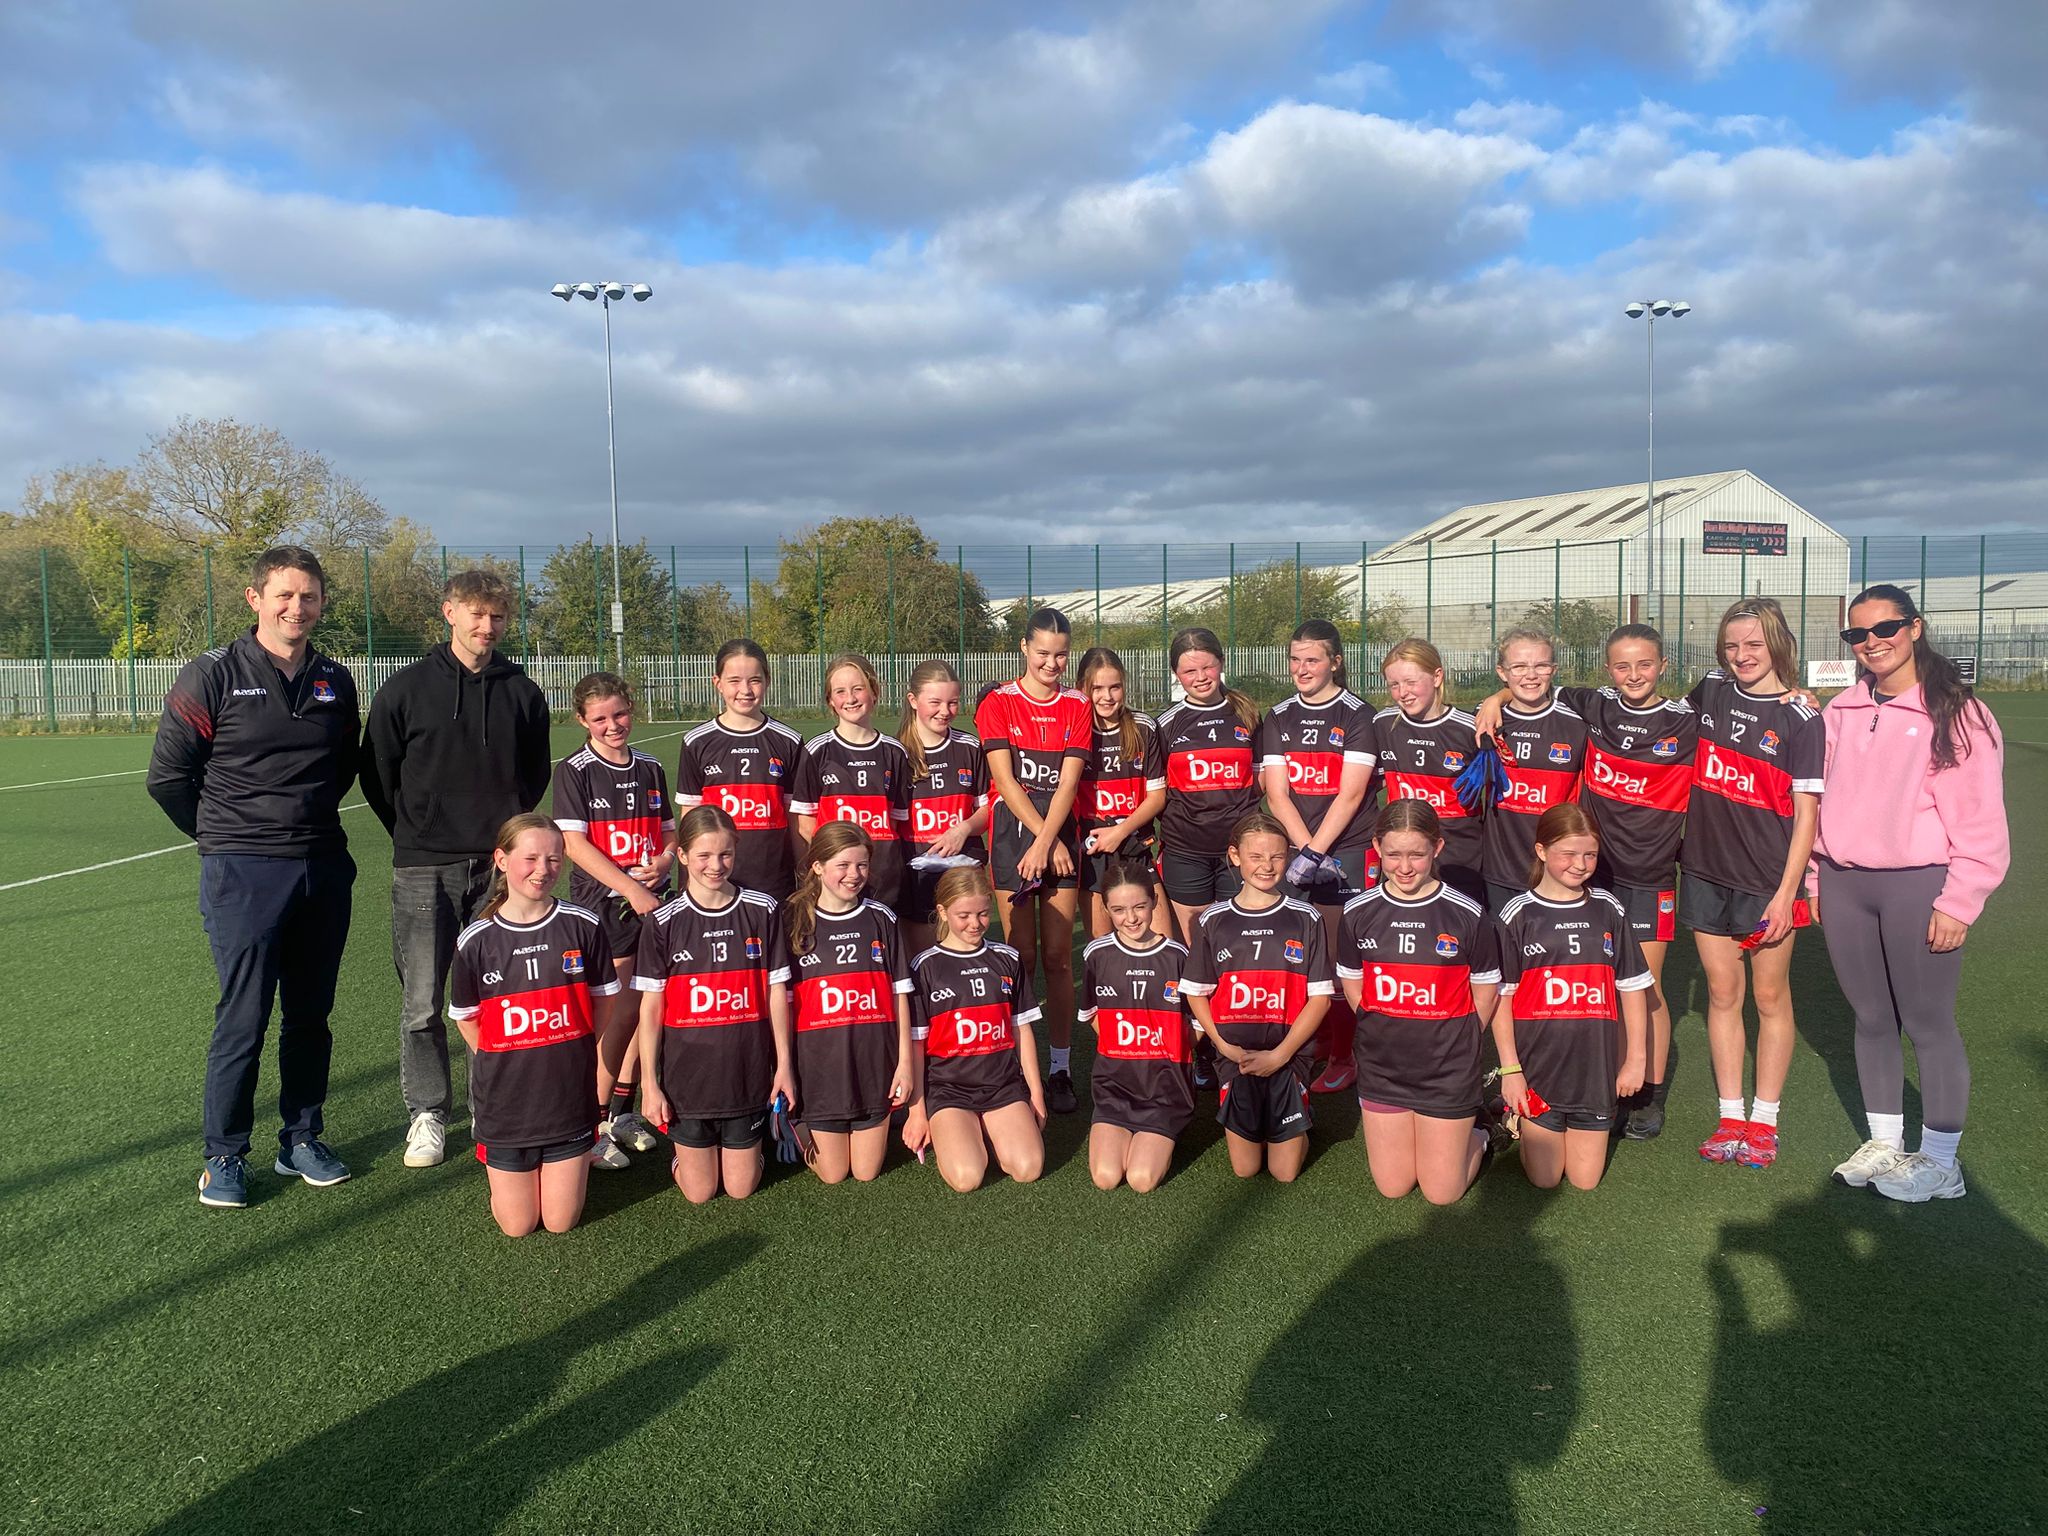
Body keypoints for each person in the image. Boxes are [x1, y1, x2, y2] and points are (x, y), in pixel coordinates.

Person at [148, 545, 362, 1208]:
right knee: (243, 1017)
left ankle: (301, 1139)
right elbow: (168, 778)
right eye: (285, 595)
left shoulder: (335, 679)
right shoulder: (211, 673)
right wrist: (224, 840)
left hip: (321, 867)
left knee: (311, 1015)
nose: (297, 607)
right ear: (255, 599)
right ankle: (224, 1155)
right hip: (242, 872)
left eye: (309, 596)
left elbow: (343, 768)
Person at [1816, 584, 2009, 1202]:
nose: (1872, 642)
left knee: (1928, 1022)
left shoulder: (1957, 711)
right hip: (1845, 883)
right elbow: (1820, 801)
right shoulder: (1841, 711)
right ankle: (1885, 1142)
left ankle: (1942, 1162)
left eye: (1886, 628)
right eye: (1858, 634)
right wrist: (1817, 876)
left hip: (1919, 885)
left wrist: (1960, 900)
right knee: (1872, 1018)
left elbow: (1981, 818)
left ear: (1915, 627)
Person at [360, 568, 551, 1170]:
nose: (487, 625)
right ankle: (428, 1113)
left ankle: (492, 1106)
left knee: (500, 995)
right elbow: (378, 773)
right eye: (476, 613)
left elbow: (534, 773)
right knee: (422, 1003)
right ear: (449, 613)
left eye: (497, 616)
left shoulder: (522, 691)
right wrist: (418, 830)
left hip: (497, 869)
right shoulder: (406, 688)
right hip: (425, 867)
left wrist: (502, 838)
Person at [1474, 624, 1697, 1139]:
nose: (1633, 674)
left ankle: (1644, 1095)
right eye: (1622, 665)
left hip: (1645, 875)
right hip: (1586, 870)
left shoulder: (1676, 717)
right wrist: (1495, 697)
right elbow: (1523, 687)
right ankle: (1536, 1083)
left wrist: (1791, 690)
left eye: (1645, 664)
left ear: (1663, 665)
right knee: (1560, 984)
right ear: (1607, 669)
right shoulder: (1592, 705)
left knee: (1643, 987)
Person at [1683, 599, 1824, 1170]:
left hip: (1767, 882)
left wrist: (1787, 894)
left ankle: (1765, 1120)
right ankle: (1730, 1115)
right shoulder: (1711, 690)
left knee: (1769, 998)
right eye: (1732, 645)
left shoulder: (1802, 718)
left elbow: (1807, 815)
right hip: (1703, 872)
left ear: (1778, 644)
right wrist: (1494, 700)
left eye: (1753, 644)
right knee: (1722, 994)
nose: (1741, 655)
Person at [446, 815, 620, 1237]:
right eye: (531, 858)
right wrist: (507, 1057)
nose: (543, 869)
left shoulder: (583, 925)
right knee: (518, 1225)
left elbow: (604, 1001)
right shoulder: (476, 940)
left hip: (567, 1097)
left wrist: (573, 1044)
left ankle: (577, 1156)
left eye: (554, 859)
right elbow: (468, 1020)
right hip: (506, 1106)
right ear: (502, 860)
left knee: (560, 1222)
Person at [1336, 801, 1503, 1204]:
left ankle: (1482, 1132)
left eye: (1417, 854)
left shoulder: (1467, 913)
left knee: (1442, 1193)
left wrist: (1460, 1037)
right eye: (1394, 854)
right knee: (1393, 1186)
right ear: (1377, 847)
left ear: (1437, 848)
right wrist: (1381, 1026)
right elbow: (1353, 981)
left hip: (1447, 1070)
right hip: (1383, 1068)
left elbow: (1485, 989)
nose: (1405, 867)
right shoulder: (1358, 911)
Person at [633, 806, 796, 1204]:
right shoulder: (663, 921)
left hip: (746, 1074)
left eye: (725, 854)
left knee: (741, 1188)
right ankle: (689, 1157)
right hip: (688, 1082)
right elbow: (651, 1010)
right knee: (700, 1192)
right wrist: (650, 1084)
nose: (716, 865)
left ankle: (755, 1142)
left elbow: (777, 992)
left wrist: (784, 1066)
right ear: (683, 855)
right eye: (704, 855)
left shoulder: (762, 910)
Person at [550, 672, 675, 1170]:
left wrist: (664, 862)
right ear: (582, 720)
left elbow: (670, 832)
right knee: (618, 1012)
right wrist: (631, 888)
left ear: (631, 709)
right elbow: (574, 845)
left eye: (619, 713)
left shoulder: (650, 767)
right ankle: (594, 1123)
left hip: (653, 902)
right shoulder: (575, 770)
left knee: (647, 1009)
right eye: (599, 718)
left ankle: (622, 1114)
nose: (612, 725)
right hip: (607, 906)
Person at [1493, 804, 1652, 1191]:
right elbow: (1502, 999)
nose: (1580, 865)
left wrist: (1635, 1060)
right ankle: (1510, 1116)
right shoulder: (1518, 913)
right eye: (1568, 853)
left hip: (1594, 1073)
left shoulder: (1608, 908)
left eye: (1590, 854)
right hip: (1539, 1069)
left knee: (1585, 1181)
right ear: (1541, 851)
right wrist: (1511, 1071)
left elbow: (1632, 987)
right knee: (1545, 1180)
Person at [974, 608, 1093, 1113]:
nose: (1051, 663)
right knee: (1019, 957)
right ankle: (1015, 1067)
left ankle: (1060, 1068)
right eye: (1042, 652)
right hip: (1012, 838)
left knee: (1059, 958)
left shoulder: (1077, 704)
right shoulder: (998, 701)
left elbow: (1068, 783)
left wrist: (1049, 841)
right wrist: (1044, 841)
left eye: (1061, 655)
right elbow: (1005, 782)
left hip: (1058, 836)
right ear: (1023, 648)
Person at [1179, 810, 1335, 1182]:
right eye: (1256, 856)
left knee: (1284, 1173)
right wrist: (1223, 1046)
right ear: (1235, 856)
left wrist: (1281, 1054)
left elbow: (1321, 999)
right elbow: (1197, 994)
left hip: (1289, 1054)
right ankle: (1274, 1121)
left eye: (1277, 856)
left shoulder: (1306, 917)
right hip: (1235, 1057)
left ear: (1289, 857)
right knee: (1246, 1169)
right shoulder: (1213, 919)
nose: (1267, 866)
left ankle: (1299, 1120)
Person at [1260, 619, 1379, 1093]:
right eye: (1295, 659)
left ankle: (1345, 1056)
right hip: (1298, 849)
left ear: (1336, 662)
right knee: (1299, 953)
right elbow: (1277, 794)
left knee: (1336, 955)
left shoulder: (1358, 714)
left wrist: (1317, 851)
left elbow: (1350, 796)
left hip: (1346, 848)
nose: (1302, 668)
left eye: (1312, 659)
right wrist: (1305, 852)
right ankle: (1316, 1041)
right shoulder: (1279, 715)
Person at [783, 822, 915, 1184]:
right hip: (819, 1067)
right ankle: (794, 1123)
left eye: (861, 865)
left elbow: (900, 995)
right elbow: (783, 1003)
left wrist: (904, 1064)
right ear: (817, 866)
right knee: (833, 1173)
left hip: (873, 1063)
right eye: (842, 865)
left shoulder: (881, 918)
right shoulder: (793, 920)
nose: (854, 875)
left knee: (866, 1172)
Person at [903, 868, 1048, 1192]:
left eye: (983, 913)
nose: (975, 924)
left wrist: (1035, 1095)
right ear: (942, 912)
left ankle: (989, 1128)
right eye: (964, 915)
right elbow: (916, 1045)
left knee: (1028, 1168)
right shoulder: (924, 966)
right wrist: (917, 1112)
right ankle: (965, 1130)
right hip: (949, 1090)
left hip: (1002, 1087)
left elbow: (1022, 1031)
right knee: (967, 1178)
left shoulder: (1007, 958)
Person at [1080, 862, 1194, 1193]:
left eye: (1139, 906)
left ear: (1154, 902)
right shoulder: (1097, 954)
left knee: (1141, 1180)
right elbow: (1092, 1014)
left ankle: (1164, 1132)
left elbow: (1197, 1024)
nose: (1131, 918)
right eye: (1119, 910)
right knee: (1105, 1178)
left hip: (1163, 1089)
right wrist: (1126, 1047)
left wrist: (1166, 1052)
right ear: (1106, 910)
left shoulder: (1178, 956)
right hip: (1115, 1087)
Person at [675, 638, 808, 902]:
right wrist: (686, 883)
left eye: (754, 680)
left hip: (773, 885)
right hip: (715, 882)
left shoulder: (789, 741)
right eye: (734, 680)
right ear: (718, 683)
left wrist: (804, 880)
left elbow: (796, 820)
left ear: (767, 681)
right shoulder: (697, 742)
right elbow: (690, 820)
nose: (745, 690)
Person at [1156, 626, 1263, 944]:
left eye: (1208, 667)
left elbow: (1261, 781)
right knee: (1197, 944)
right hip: (1185, 852)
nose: (1201, 677)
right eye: (1190, 671)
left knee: (1237, 940)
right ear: (1176, 674)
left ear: (1221, 662)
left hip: (1239, 849)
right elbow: (1158, 790)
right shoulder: (1166, 724)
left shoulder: (1247, 715)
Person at [1474, 630, 1586, 915]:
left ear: (1554, 669)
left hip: (1558, 867)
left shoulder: (1577, 724)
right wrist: (1494, 700)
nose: (1531, 675)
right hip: (1499, 870)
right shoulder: (1484, 719)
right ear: (1502, 672)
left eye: (1541, 666)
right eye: (1519, 666)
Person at [791, 653, 912, 912]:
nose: (851, 698)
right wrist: (828, 865)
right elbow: (806, 824)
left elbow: (896, 821)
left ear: (874, 692)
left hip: (884, 876)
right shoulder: (816, 750)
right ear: (830, 700)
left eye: (858, 689)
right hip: (835, 879)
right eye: (840, 692)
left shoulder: (895, 752)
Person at [1375, 638, 1485, 903]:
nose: (1403, 692)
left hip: (1460, 856)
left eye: (1411, 682)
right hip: (1405, 860)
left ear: (1437, 677)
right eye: (1394, 684)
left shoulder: (1470, 728)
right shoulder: (1383, 724)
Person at [897, 659, 991, 957]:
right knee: (922, 961)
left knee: (965, 955)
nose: (945, 711)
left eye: (952, 702)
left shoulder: (969, 747)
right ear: (913, 700)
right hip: (915, 872)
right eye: (935, 702)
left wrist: (963, 829)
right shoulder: (895, 752)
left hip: (963, 869)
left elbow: (988, 809)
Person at [1074, 646, 1168, 942]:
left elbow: (1157, 796)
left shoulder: (1143, 727)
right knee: (1103, 949)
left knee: (1161, 943)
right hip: (1092, 852)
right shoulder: (1074, 730)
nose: (1107, 696)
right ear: (1082, 688)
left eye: (1114, 687)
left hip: (1135, 846)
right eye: (1097, 688)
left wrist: (1120, 831)